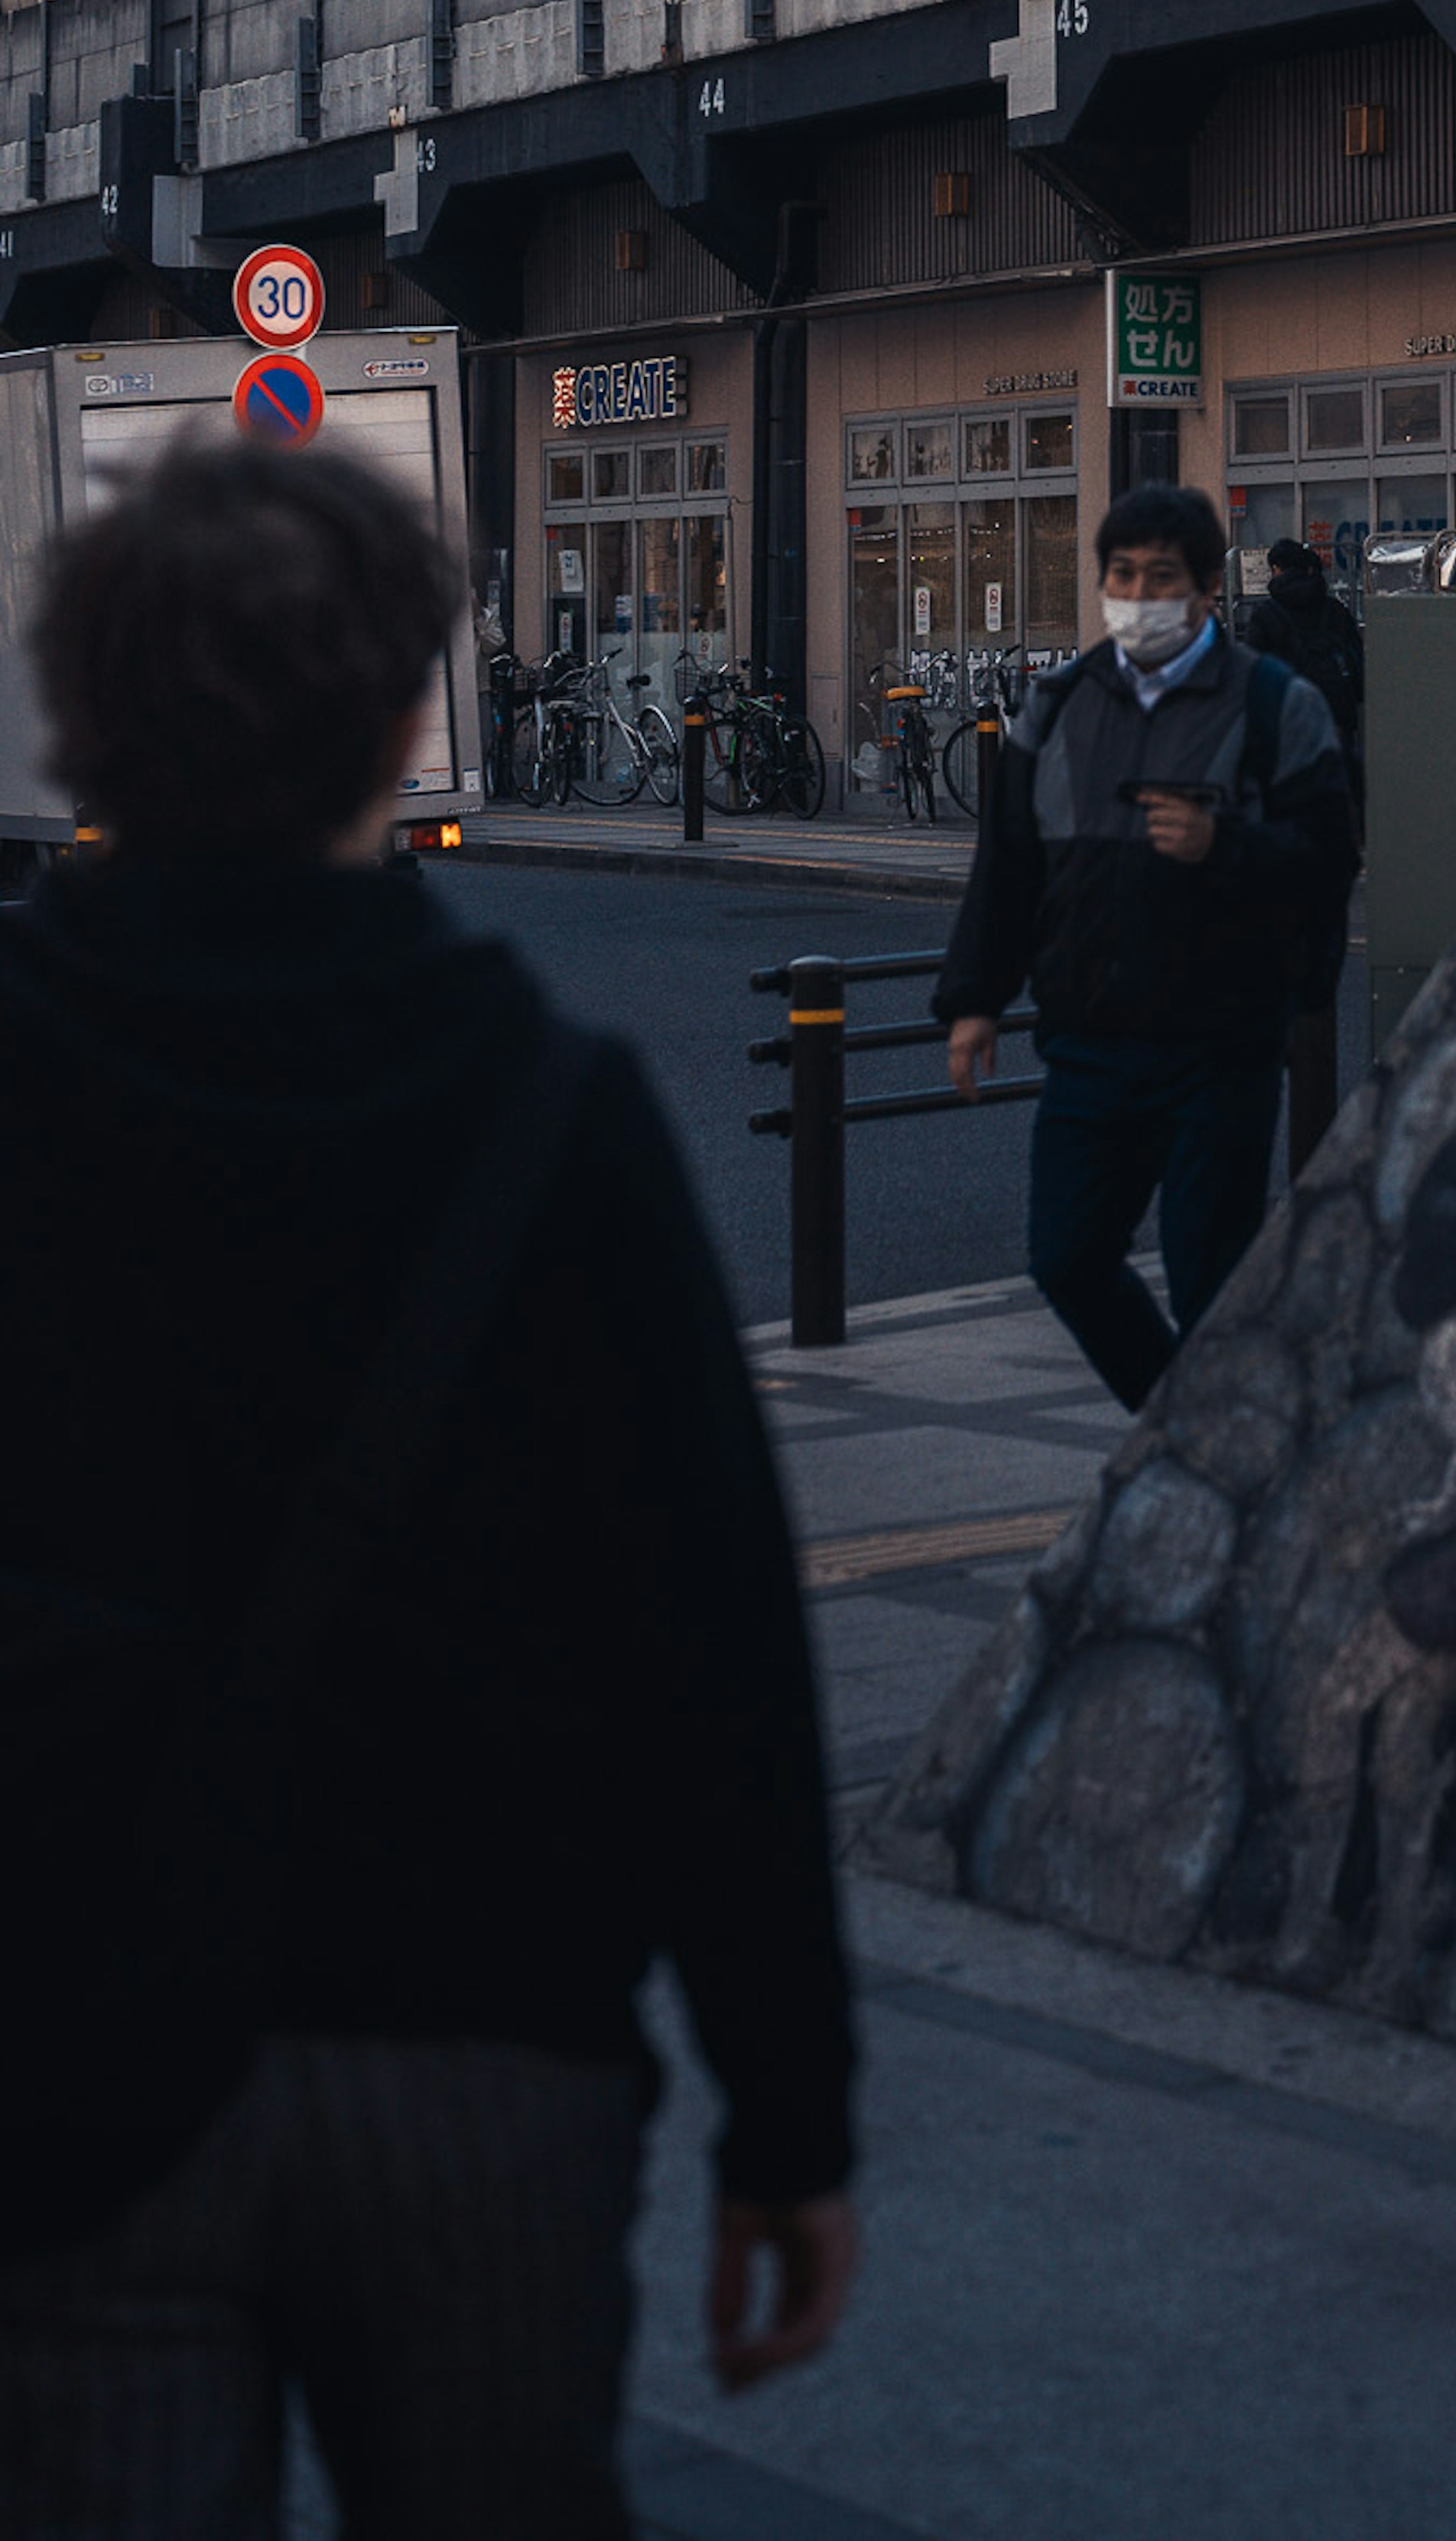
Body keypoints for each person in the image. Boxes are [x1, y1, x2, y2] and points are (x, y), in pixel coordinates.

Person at [0, 440, 856, 2536]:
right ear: (404, 722)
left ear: (75, 715)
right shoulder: (543, 1104)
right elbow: (717, 1643)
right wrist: (789, 2114)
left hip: (67, 2033)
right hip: (485, 2041)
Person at [941, 482, 1355, 1407]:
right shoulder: (1058, 705)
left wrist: (1227, 846)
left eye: (1160, 577)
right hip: (1090, 1035)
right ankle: (1188, 1427)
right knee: (1067, 1258)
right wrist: (975, 998)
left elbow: (1332, 858)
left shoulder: (1272, 705)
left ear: (1208, 587)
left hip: (1222, 1044)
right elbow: (1008, 866)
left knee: (1211, 1280)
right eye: (1121, 575)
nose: (1137, 594)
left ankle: (1206, 1462)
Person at [1241, 534, 1366, 1172]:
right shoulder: (1337, 610)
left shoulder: (1264, 617)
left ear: (1278, 569)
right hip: (1336, 743)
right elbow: (1363, 674)